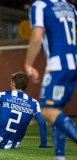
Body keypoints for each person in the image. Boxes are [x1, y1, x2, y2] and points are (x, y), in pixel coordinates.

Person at [25, 0, 77, 159]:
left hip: (58, 65)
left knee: (47, 111)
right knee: (56, 109)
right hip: (73, 63)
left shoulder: (40, 6)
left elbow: (36, 39)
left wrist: (28, 64)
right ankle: (59, 156)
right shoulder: (71, 7)